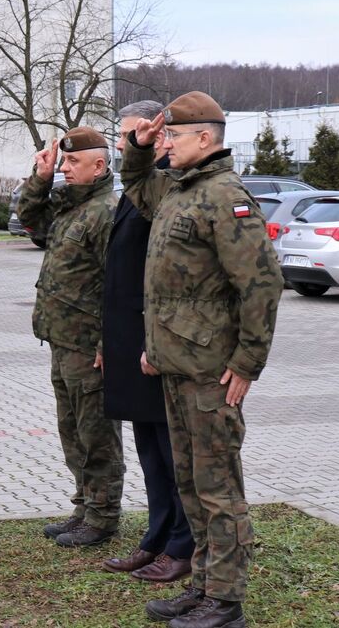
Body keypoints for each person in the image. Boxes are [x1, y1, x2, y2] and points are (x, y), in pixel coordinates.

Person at [123, 92, 283, 628]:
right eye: (163, 136)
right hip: (178, 364)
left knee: (219, 490)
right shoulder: (179, 189)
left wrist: (247, 363)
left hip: (213, 371)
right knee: (191, 484)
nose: (165, 141)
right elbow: (140, 191)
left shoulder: (225, 196)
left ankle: (227, 602)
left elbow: (262, 284)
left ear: (205, 139)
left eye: (173, 135)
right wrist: (138, 148)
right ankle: (203, 585)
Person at [99, 101, 194, 583]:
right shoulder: (143, 183)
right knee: (150, 449)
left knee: (171, 450)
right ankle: (157, 537)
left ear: (155, 133)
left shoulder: (169, 187)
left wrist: (151, 341)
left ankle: (182, 544)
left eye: (125, 134)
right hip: (129, 337)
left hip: (154, 340)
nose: (119, 144)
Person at [17, 127, 124, 548]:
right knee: (72, 429)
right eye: (62, 162)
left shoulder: (105, 212)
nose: (64, 168)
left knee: (96, 432)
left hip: (88, 344)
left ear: (99, 166)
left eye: (71, 162)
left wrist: (107, 344)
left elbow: (117, 286)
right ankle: (83, 506)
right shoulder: (71, 207)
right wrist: (40, 180)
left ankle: (103, 514)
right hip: (61, 338)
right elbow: (31, 220)